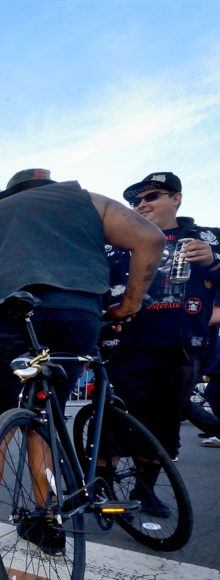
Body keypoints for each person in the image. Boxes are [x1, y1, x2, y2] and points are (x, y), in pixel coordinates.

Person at [0, 169, 164, 557]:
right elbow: (149, 237)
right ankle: (48, 523)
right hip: (73, 311)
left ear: (12, 191)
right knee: (47, 419)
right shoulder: (86, 200)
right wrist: (129, 303)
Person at [105, 172, 220, 461]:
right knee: (111, 420)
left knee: (164, 425)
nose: (140, 204)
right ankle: (104, 491)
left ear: (176, 198)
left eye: (151, 196)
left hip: (181, 347)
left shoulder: (209, 237)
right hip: (123, 343)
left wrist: (213, 262)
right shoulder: (116, 242)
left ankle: (146, 493)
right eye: (135, 200)